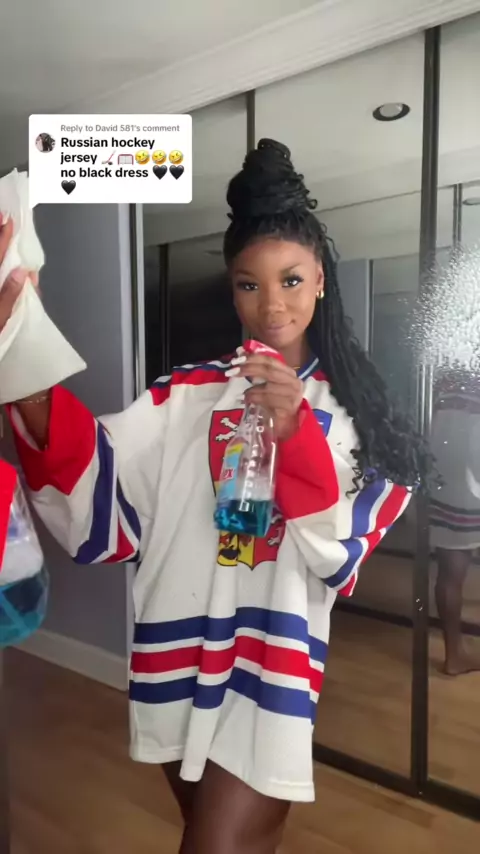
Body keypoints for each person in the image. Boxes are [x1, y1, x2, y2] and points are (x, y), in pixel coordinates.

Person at [0, 140, 430, 854]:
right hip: (178, 655)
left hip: (270, 663)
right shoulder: (186, 396)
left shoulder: (350, 413)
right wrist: (23, 351)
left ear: (321, 280)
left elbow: (339, 549)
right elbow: (98, 482)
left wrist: (295, 433)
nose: (272, 305)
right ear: (232, 291)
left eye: (291, 280)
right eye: (248, 284)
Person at [430, 365, 480, 675]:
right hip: (469, 484)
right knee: (453, 572)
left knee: (450, 572)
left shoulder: (447, 376)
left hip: (444, 482)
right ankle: (455, 656)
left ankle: (454, 653)